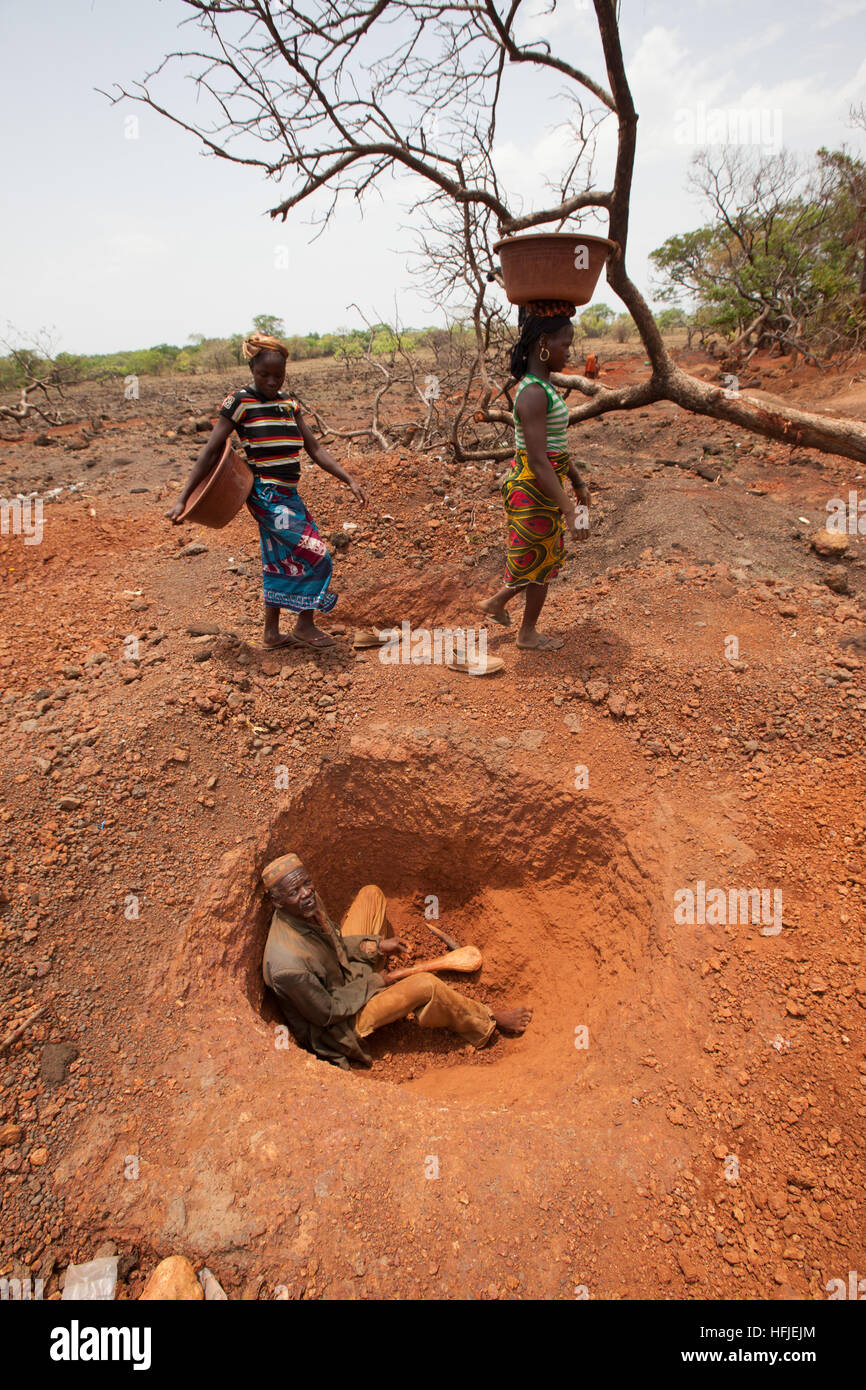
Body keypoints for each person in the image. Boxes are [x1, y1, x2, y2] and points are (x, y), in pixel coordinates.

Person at [167, 332, 367, 650]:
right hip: (265, 495)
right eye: (264, 375)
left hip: (289, 495)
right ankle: (305, 625)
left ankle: (271, 634)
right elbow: (211, 450)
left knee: (279, 559)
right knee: (316, 553)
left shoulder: (289, 405)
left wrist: (349, 479)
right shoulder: (240, 402)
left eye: (279, 375)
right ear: (252, 369)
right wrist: (183, 498)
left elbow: (315, 449)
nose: (272, 381)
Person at [261, 853, 531, 1069]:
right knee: (425, 984)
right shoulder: (288, 965)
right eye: (294, 891)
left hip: (346, 973)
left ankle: (375, 967)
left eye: (306, 883)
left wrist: (375, 945)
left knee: (371, 894)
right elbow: (327, 1012)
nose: (306, 893)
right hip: (339, 1024)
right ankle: (487, 1020)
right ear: (278, 902)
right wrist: (379, 981)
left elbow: (336, 942)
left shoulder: (306, 904)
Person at [479, 300, 591, 651]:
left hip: (543, 486)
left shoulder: (544, 389)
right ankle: (526, 633)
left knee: (543, 557)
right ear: (544, 344)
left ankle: (500, 605)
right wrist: (571, 511)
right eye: (565, 345)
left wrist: (577, 482)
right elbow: (539, 459)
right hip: (533, 486)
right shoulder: (531, 393)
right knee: (539, 558)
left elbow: (557, 447)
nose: (568, 353)